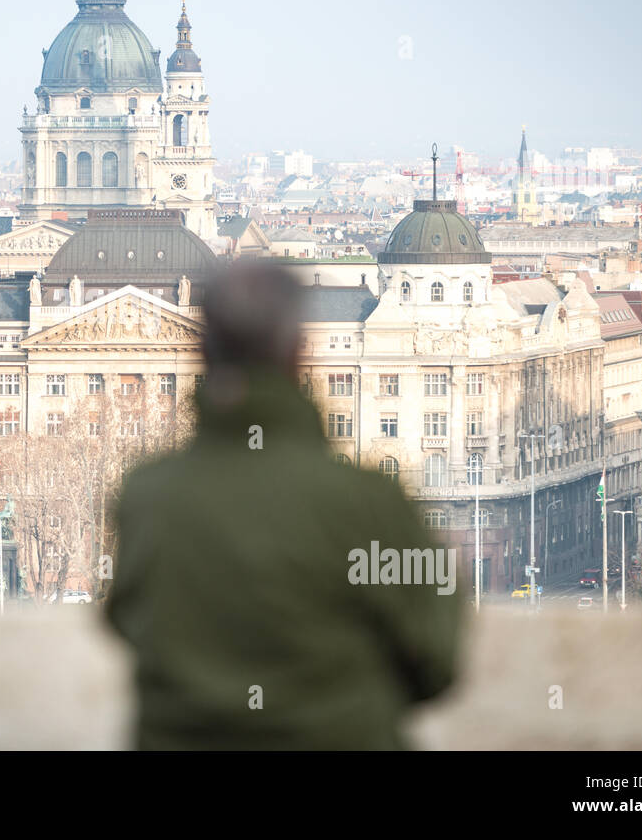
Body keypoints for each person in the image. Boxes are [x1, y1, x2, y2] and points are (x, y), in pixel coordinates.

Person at [105, 260, 461, 749]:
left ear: (204, 353)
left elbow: (125, 624)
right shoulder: (369, 502)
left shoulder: (146, 497)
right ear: (297, 355)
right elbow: (439, 661)